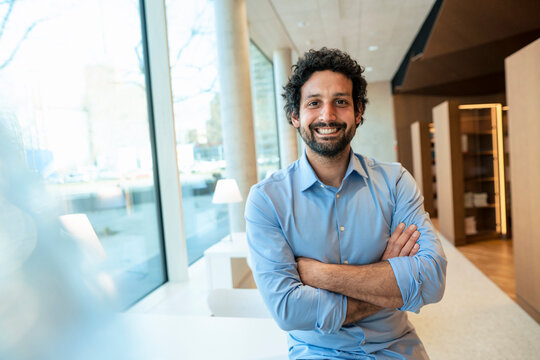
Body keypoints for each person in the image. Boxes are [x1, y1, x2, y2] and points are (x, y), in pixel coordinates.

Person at [244, 48, 447, 359]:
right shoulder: (267, 200)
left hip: (396, 348)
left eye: (341, 102)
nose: (327, 116)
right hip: (316, 351)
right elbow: (288, 310)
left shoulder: (395, 182)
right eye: (314, 103)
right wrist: (387, 280)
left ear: (358, 112)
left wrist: (320, 275)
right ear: (295, 116)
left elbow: (432, 279)